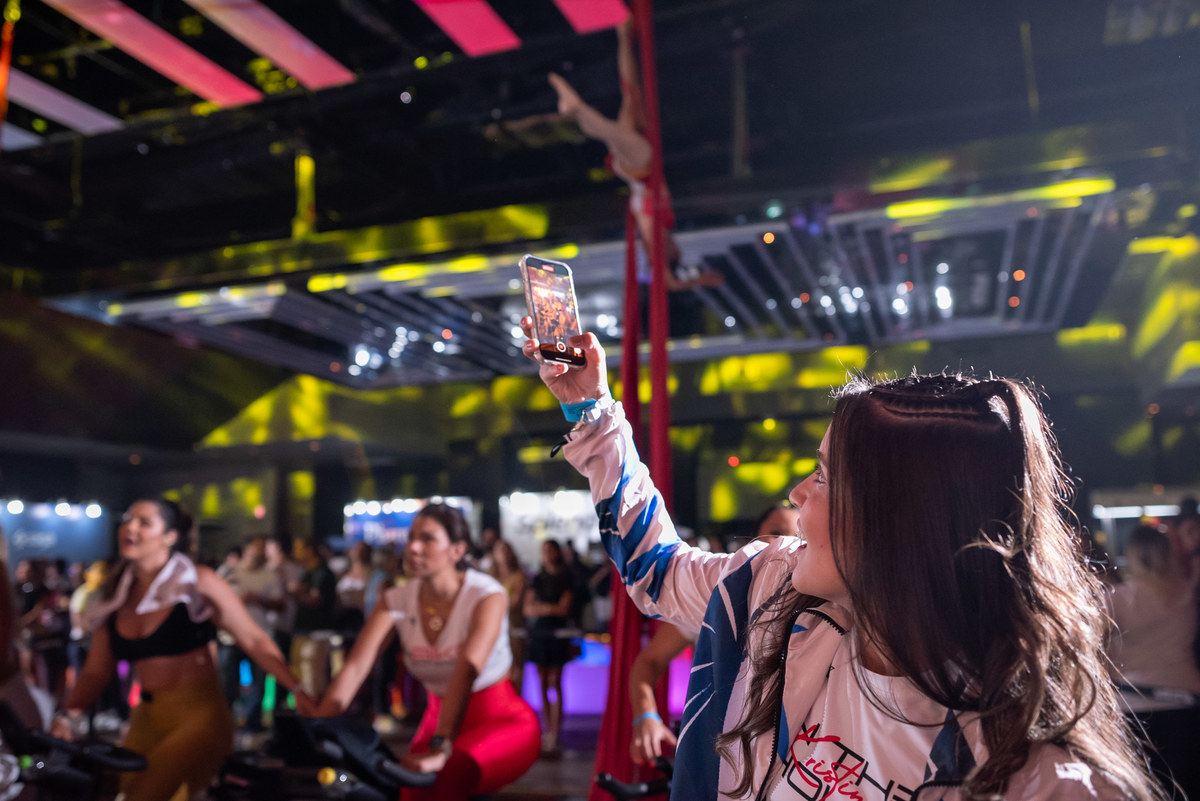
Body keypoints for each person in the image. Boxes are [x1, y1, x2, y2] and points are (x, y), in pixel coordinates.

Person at [521, 318, 1162, 801]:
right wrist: (591, 411)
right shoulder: (769, 588)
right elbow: (656, 569)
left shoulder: (1040, 778)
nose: (798, 493)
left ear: (901, 522)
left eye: (825, 475)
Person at [51, 498, 313, 801]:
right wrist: (67, 715)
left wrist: (297, 688)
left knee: (144, 796)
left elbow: (253, 638)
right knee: (129, 792)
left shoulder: (197, 582)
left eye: (144, 522)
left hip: (199, 716)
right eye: (127, 520)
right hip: (145, 718)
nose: (130, 528)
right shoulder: (117, 595)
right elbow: (96, 673)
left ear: (170, 536)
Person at [315, 503, 540, 800]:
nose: (413, 547)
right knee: (409, 791)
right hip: (437, 720)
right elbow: (356, 668)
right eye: (411, 537)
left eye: (428, 538)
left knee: (450, 773)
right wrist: (319, 726)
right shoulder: (396, 599)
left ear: (457, 550)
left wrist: (442, 744)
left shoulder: (486, 594)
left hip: (499, 722)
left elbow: (466, 670)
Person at [548, 18, 722, 296]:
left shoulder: (652, 232)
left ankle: (577, 109)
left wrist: (698, 281)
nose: (678, 248)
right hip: (637, 168)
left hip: (639, 169)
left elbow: (669, 283)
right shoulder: (665, 224)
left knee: (614, 132)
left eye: (676, 253)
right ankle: (623, 36)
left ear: (666, 255)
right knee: (631, 96)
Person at [629, 504, 800, 766]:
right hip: (718, 752)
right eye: (776, 533)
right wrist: (646, 717)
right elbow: (648, 662)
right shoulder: (717, 594)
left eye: (797, 537)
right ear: (754, 540)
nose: (785, 544)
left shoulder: (813, 606)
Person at [524, 539, 574, 757]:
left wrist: (541, 608)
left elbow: (563, 609)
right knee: (543, 681)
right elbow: (527, 608)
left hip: (558, 634)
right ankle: (548, 729)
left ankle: (556, 729)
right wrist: (549, 608)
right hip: (540, 634)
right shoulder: (537, 579)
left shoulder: (566, 578)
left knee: (556, 680)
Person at [491, 539, 528, 693]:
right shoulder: (489, 576)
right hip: (494, 629)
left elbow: (515, 601)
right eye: (500, 550)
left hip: (514, 627)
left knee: (516, 666)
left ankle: (515, 698)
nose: (503, 553)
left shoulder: (519, 576)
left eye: (506, 549)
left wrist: (491, 605)